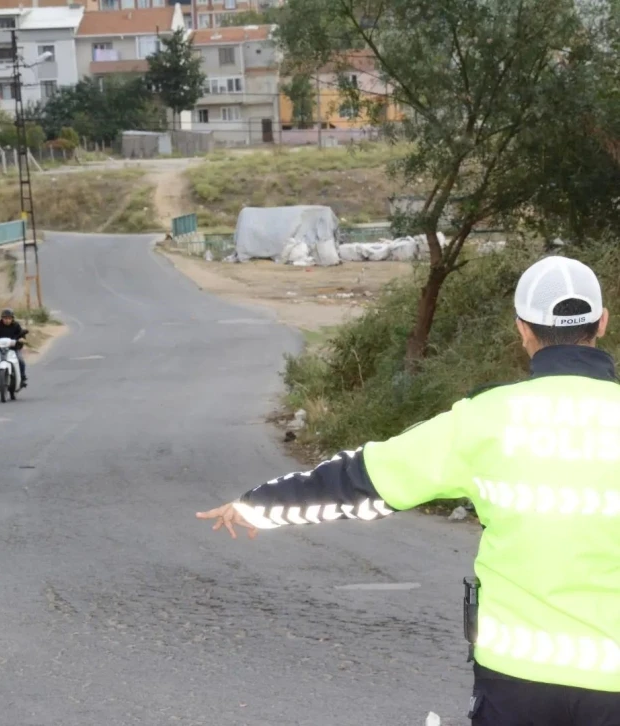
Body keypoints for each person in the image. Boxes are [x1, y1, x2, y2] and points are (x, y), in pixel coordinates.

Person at [196, 255, 620, 726]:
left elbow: (363, 479)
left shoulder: (483, 420)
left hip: (516, 681)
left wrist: (257, 507)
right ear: (601, 323)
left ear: (522, 329)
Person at [0, 308, 27, 386]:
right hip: (0, 350)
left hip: (13, 349)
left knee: (21, 361)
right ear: (2, 318)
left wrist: (21, 339)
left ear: (12, 318)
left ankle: (22, 378)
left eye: (9, 318)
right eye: (5, 318)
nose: (7, 320)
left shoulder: (16, 326)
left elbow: (22, 335)